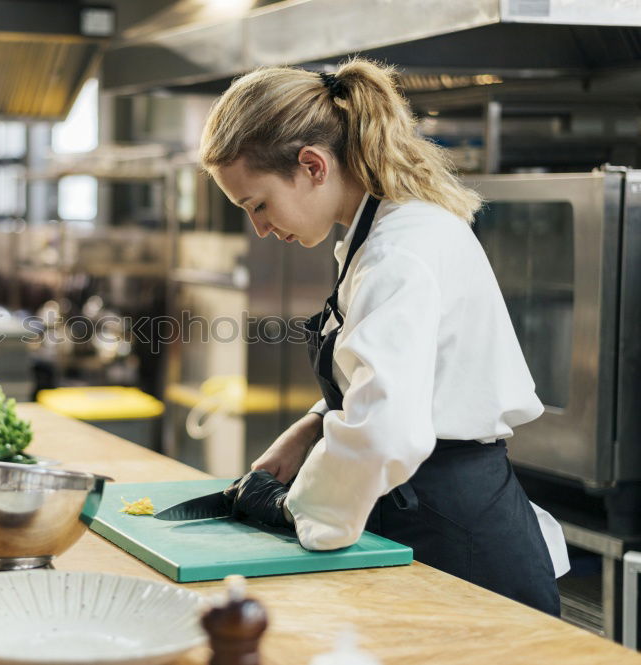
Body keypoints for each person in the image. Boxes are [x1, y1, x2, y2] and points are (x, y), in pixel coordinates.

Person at [200, 57, 568, 615]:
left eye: (258, 204)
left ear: (312, 165)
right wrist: (314, 425)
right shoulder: (378, 234)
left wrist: (297, 510)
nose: (261, 227)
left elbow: (390, 431)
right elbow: (399, 379)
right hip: (426, 510)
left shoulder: (400, 252)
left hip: (459, 544)